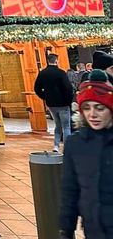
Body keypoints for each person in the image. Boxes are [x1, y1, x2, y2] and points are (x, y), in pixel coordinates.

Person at [59, 70, 113, 239]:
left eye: (100, 108)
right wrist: (65, 230)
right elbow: (70, 189)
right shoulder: (75, 144)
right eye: (86, 108)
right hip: (93, 228)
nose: (92, 114)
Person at [34, 53, 74, 152]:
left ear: (47, 61)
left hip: (51, 104)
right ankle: (67, 147)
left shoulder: (42, 73)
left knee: (58, 125)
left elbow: (37, 88)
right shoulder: (61, 73)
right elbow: (68, 88)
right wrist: (69, 101)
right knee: (66, 126)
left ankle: (56, 146)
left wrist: (45, 97)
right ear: (56, 61)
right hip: (63, 103)